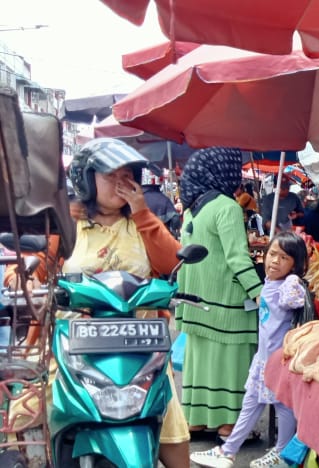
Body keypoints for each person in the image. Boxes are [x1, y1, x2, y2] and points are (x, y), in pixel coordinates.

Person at [27, 139, 191, 467]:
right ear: (87, 179)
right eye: (110, 175)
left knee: (171, 427)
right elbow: (40, 263)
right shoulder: (69, 223)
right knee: (29, 409)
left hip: (140, 346)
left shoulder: (141, 224)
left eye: (127, 175)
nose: (121, 182)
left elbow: (172, 262)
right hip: (77, 344)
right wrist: (27, 276)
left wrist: (142, 212)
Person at [191, 231, 306, 468]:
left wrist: (294, 281)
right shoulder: (270, 282)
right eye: (272, 254)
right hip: (263, 358)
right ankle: (228, 451)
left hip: (278, 360)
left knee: (282, 406)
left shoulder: (287, 285)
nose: (275, 261)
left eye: (284, 258)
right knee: (251, 403)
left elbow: (295, 300)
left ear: (295, 264)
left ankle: (283, 455)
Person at [175, 147, 265, 439]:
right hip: (226, 302)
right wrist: (259, 292)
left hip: (195, 300)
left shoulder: (192, 207)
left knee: (200, 361)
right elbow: (237, 258)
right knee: (233, 361)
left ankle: (196, 420)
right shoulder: (227, 206)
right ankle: (229, 425)